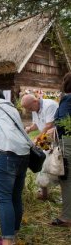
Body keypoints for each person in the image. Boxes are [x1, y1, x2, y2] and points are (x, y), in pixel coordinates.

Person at [0, 88, 30, 245]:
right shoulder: (11, 107)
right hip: (24, 153)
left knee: (4, 198)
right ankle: (14, 232)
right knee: (16, 196)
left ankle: (7, 241)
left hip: (7, 153)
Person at [21, 94, 58, 200]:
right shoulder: (34, 108)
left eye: (30, 108)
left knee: (54, 166)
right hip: (46, 142)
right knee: (44, 165)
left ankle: (47, 192)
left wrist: (37, 138)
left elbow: (49, 125)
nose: (29, 110)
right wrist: (28, 129)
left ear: (35, 101)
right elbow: (37, 124)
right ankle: (44, 193)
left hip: (55, 140)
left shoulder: (50, 105)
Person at [50, 72, 71, 227]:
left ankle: (66, 217)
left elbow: (62, 121)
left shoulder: (68, 99)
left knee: (67, 180)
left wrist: (54, 128)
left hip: (68, 143)